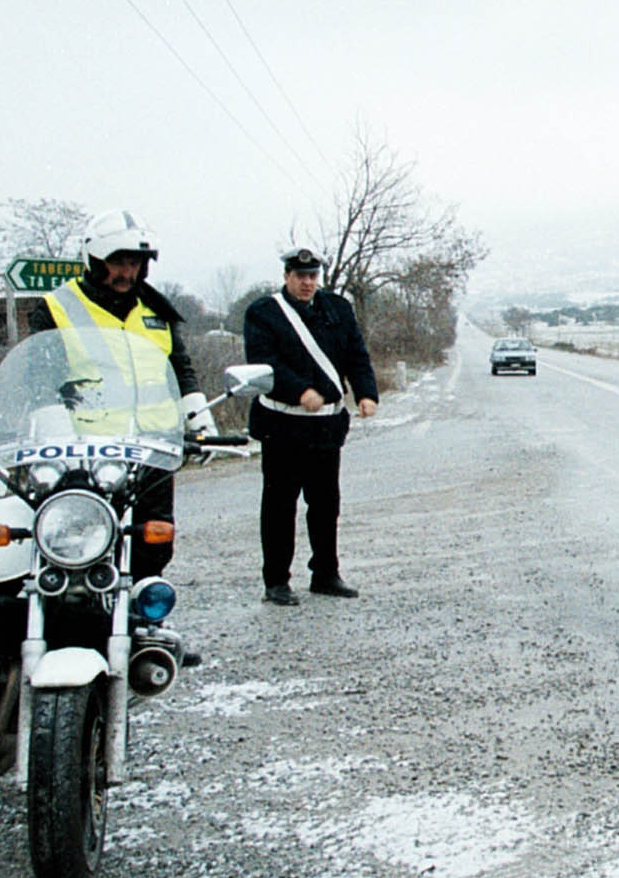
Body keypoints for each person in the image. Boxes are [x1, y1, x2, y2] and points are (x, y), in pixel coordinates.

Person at [28, 208, 214, 582]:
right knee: (84, 540)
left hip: (152, 446)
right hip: (87, 450)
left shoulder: (156, 310)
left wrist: (198, 417)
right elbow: (40, 380)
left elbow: (180, 367)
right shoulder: (57, 307)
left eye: (135, 264)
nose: (127, 274)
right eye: (119, 263)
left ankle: (143, 617)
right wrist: (56, 433)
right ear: (95, 260)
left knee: (154, 542)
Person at [243, 247, 378, 605]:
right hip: (283, 425)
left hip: (324, 426)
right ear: (287, 276)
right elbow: (262, 361)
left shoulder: (338, 308)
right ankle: (276, 580)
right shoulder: (264, 313)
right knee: (279, 505)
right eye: (301, 276)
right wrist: (299, 390)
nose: (307, 283)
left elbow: (355, 354)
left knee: (325, 503)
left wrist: (366, 393)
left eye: (312, 276)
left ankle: (325, 573)